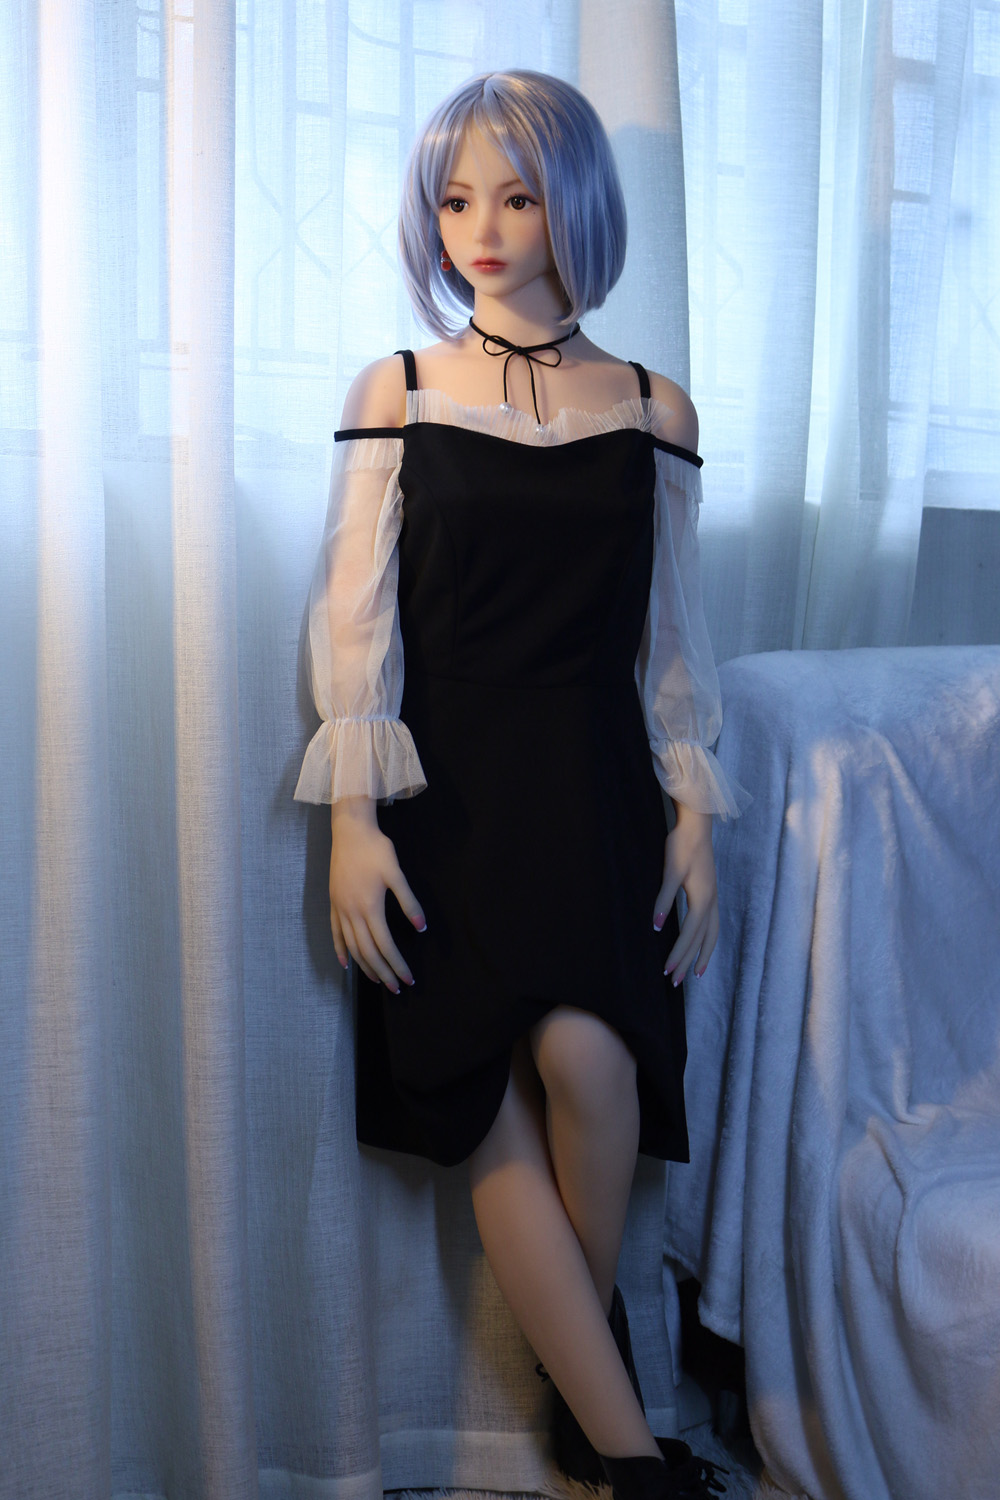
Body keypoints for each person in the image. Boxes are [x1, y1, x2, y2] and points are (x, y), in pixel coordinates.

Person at [294, 69, 748, 1500]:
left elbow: (677, 632)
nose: (480, 230)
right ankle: (634, 1457)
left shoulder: (655, 408)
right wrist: (353, 822)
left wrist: (694, 817)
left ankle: (582, 1386)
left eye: (517, 196)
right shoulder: (401, 389)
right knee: (485, 1099)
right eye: (454, 199)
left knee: (594, 1067)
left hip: (593, 795)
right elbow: (354, 613)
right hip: (443, 799)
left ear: (576, 207)